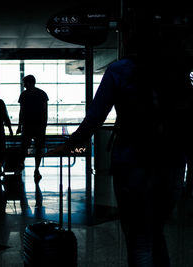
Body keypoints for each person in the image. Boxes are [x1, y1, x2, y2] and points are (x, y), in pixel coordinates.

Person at [48, 8, 192, 267]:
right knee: (156, 234)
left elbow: (95, 118)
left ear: (129, 37)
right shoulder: (175, 71)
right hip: (171, 163)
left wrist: (69, 145)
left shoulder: (119, 70)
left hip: (133, 162)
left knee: (139, 241)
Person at [16, 75, 49, 183]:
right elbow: (45, 111)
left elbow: (22, 111)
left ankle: (21, 164)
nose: (24, 85)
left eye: (25, 83)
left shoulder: (24, 95)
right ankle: (36, 169)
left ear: (29, 83)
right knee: (38, 149)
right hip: (39, 126)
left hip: (28, 125)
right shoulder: (42, 94)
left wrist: (19, 126)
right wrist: (44, 124)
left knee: (24, 147)